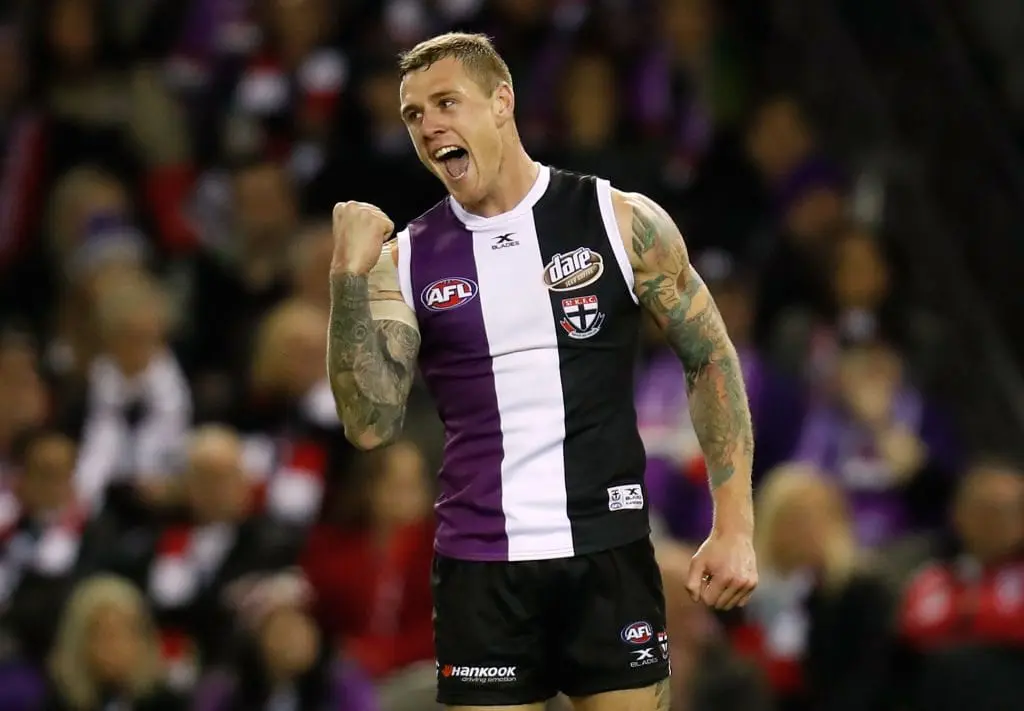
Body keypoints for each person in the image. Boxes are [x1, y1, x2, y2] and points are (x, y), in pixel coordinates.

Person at [326, 32, 758, 711]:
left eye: (446, 102)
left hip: (608, 550)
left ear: (502, 101)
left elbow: (710, 356)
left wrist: (733, 527)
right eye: (413, 114)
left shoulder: (619, 220)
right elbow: (370, 424)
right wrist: (346, 282)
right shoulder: (403, 260)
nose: (429, 124)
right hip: (481, 565)